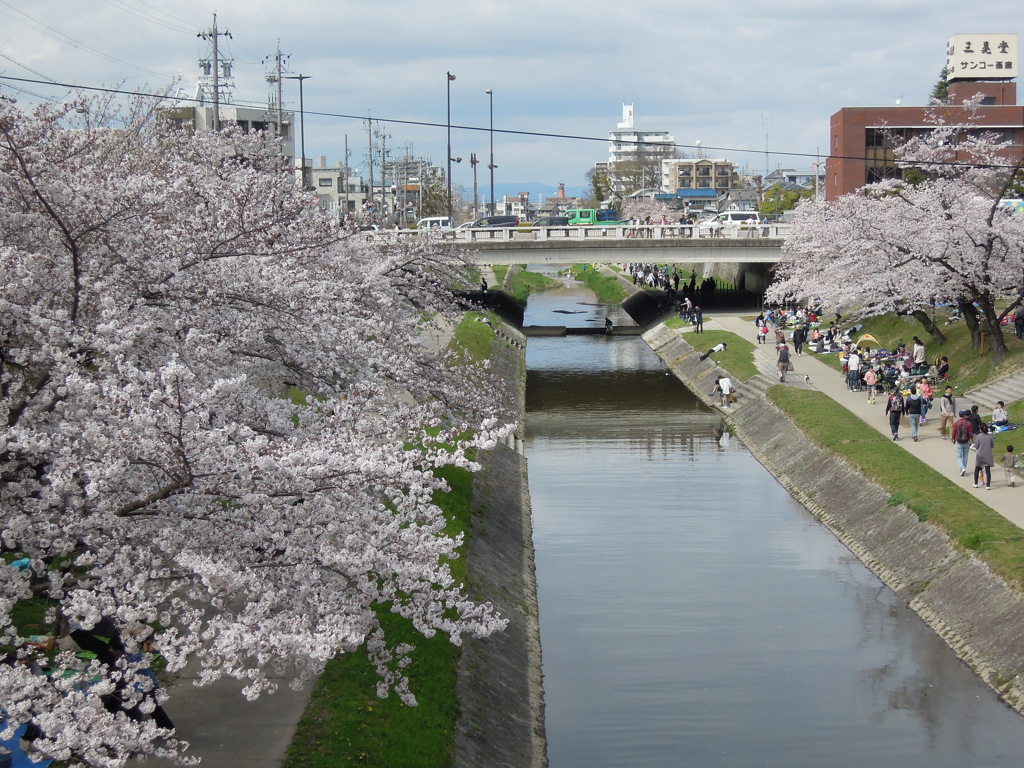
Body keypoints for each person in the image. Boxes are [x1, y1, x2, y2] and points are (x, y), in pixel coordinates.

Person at [951, 410, 974, 476]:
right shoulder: (968, 423)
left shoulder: (956, 423)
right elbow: (970, 433)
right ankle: (963, 468)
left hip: (959, 441)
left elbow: (954, 432)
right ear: (964, 416)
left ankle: (962, 468)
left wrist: (953, 439)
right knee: (965, 456)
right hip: (966, 441)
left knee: (959, 457)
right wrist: (971, 440)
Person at [972, 423, 995, 490]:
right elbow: (992, 445)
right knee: (988, 471)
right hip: (988, 454)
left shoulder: (979, 436)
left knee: (977, 468)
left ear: (980, 429)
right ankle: (988, 485)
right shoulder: (990, 436)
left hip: (980, 454)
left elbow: (976, 446)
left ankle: (976, 483)